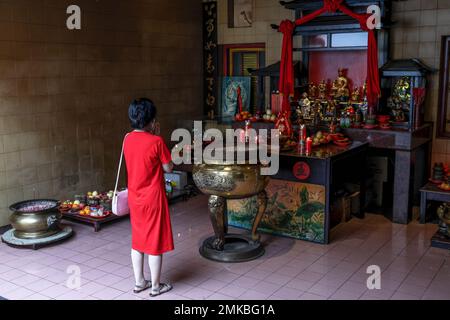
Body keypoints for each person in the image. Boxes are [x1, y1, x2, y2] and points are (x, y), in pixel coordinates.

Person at [123, 98, 174, 297]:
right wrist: (157, 135)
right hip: (153, 199)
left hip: (135, 198)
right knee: (154, 242)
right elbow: (168, 167)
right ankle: (155, 286)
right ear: (151, 120)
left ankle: (139, 282)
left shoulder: (127, 138)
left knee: (138, 240)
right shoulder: (157, 141)